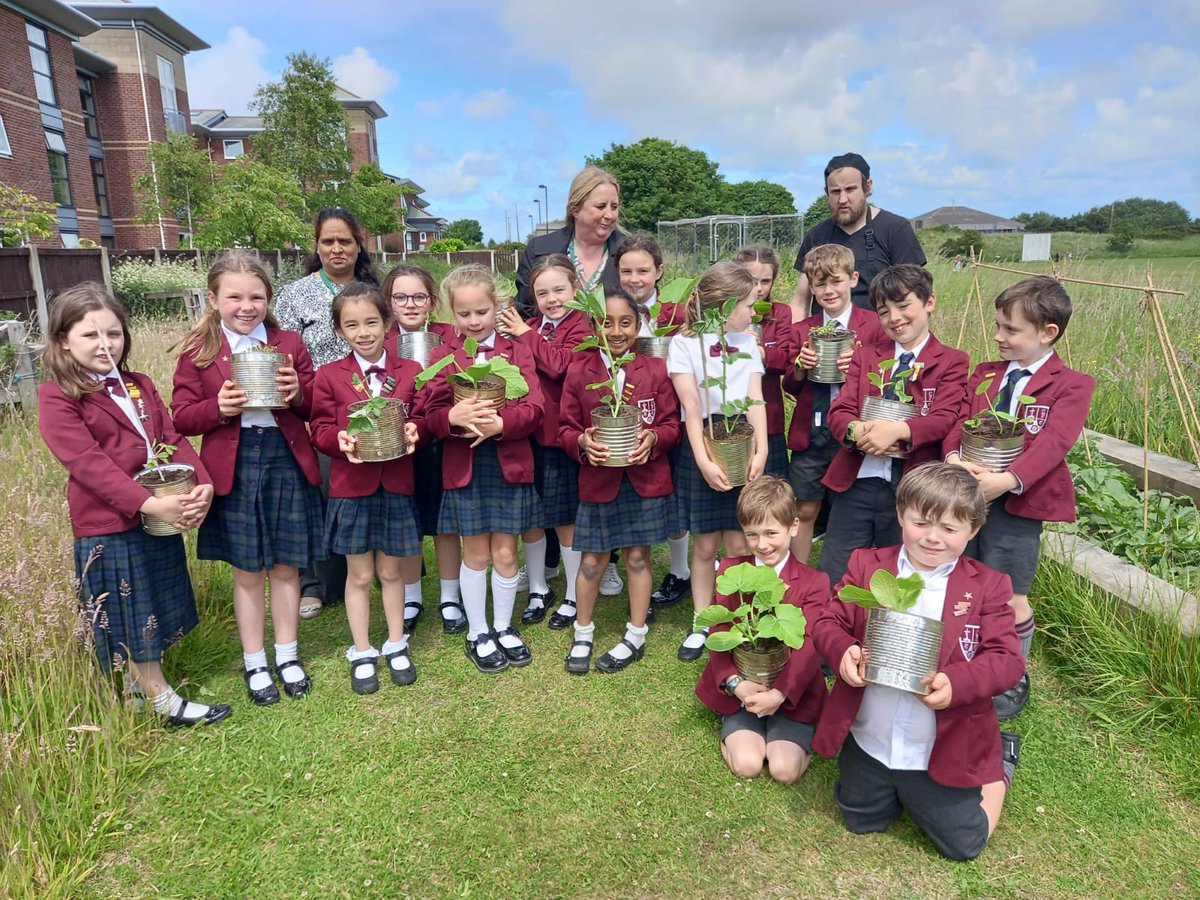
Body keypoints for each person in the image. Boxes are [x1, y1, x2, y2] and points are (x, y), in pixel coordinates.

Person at [38, 283, 230, 727]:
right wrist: (148, 504)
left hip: (158, 514)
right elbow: (88, 464)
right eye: (91, 335)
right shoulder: (57, 396)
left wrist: (202, 483)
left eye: (114, 333)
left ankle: (140, 691)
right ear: (64, 340)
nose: (106, 344)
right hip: (111, 522)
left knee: (153, 601)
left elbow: (170, 438)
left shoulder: (138, 384)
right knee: (129, 608)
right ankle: (162, 700)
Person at [811, 462, 1023, 862]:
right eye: (921, 522)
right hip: (871, 737)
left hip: (936, 744)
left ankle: (1000, 765)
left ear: (973, 530)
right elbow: (828, 619)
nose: (932, 538)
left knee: (963, 845)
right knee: (860, 819)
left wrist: (957, 685)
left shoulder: (990, 586)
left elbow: (1007, 660)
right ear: (899, 515)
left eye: (950, 528)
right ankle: (886, 782)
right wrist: (843, 653)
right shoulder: (867, 566)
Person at [173, 252, 324, 707]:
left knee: (285, 565)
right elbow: (181, 417)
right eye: (234, 296)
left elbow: (316, 401)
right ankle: (255, 661)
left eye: (256, 296)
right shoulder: (198, 351)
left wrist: (299, 393)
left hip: (284, 458)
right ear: (214, 298)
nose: (246, 306)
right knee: (248, 570)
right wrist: (219, 407)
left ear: (268, 298)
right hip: (235, 465)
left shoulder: (290, 342)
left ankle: (288, 654)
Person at [945, 276, 1095, 720]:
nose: (998, 336)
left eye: (1011, 330)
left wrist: (1007, 479)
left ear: (1048, 332)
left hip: (1017, 506)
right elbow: (960, 419)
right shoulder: (985, 375)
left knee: (1009, 592)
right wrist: (954, 455)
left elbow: (1055, 443)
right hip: (967, 499)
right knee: (963, 580)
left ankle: (1010, 672)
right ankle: (962, 658)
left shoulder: (1071, 385)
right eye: (997, 326)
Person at [422, 265, 544, 674]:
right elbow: (430, 416)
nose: (474, 321)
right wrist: (454, 416)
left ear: (498, 307)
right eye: (464, 314)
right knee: (475, 552)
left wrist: (503, 424)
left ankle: (504, 627)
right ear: (451, 313)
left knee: (506, 552)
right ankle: (478, 631)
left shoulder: (518, 351)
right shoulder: (443, 355)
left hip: (509, 463)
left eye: (482, 312)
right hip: (466, 466)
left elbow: (536, 409)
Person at [818, 264, 968, 584]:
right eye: (884, 312)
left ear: (929, 302)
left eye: (903, 306)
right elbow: (840, 409)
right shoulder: (866, 356)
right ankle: (831, 628)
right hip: (856, 480)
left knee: (899, 570)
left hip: (911, 488)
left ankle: (886, 630)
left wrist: (898, 431)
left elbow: (944, 418)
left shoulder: (952, 361)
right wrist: (856, 431)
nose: (895, 318)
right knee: (836, 565)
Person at [310, 284, 426, 694]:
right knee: (359, 575)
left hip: (396, 485)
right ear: (340, 331)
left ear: (387, 323)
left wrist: (418, 430)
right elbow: (321, 429)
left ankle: (397, 642)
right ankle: (362, 651)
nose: (363, 332)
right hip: (351, 488)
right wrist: (337, 440)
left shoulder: (410, 372)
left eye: (371, 322)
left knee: (391, 570)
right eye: (351, 325)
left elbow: (424, 419)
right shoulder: (328, 376)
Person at [558, 288, 681, 673]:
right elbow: (564, 427)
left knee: (638, 556)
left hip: (644, 480)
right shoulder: (580, 370)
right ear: (594, 325)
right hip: (598, 481)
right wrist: (580, 441)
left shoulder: (655, 369)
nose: (615, 331)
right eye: (606, 322)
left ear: (639, 325)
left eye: (625, 322)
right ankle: (583, 631)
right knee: (592, 560)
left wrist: (655, 438)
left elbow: (671, 424)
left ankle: (636, 633)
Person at [276, 207, 380, 621]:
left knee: (362, 492)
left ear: (359, 246)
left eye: (345, 241)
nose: (336, 249)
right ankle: (314, 584)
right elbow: (283, 352)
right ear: (316, 246)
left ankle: (370, 573)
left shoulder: (374, 289)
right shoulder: (295, 295)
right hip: (314, 409)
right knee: (320, 494)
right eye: (327, 242)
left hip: (370, 411)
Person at [694, 478, 829, 783]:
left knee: (783, 771)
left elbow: (809, 646)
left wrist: (781, 693)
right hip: (743, 685)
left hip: (793, 690)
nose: (762, 544)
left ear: (793, 526)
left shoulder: (814, 582)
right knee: (747, 765)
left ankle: (785, 735)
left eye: (771, 533)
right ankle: (740, 725)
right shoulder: (732, 571)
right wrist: (734, 683)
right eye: (752, 535)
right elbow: (720, 632)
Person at [668, 262, 769, 662]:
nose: (752, 313)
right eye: (748, 305)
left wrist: (760, 449)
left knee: (739, 541)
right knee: (706, 543)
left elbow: (755, 399)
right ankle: (702, 621)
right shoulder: (684, 344)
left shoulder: (747, 342)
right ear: (724, 306)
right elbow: (692, 407)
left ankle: (737, 618)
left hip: (741, 439)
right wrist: (703, 459)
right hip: (704, 444)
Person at [497, 255, 590, 627]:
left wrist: (524, 334)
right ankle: (538, 587)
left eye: (559, 290)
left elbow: (561, 365)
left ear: (574, 289)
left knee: (565, 521)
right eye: (542, 293)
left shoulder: (584, 325)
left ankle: (572, 592)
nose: (552, 299)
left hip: (559, 437)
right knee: (531, 520)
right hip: (526, 435)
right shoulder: (531, 325)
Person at [783, 244, 884, 563]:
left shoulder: (875, 326)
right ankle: (797, 578)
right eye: (820, 284)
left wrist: (860, 366)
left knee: (850, 507)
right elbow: (789, 385)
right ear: (810, 287)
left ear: (853, 279)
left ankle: (846, 574)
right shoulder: (802, 330)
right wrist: (800, 367)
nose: (828, 290)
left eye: (836, 281)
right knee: (805, 506)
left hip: (855, 432)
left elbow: (885, 378)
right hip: (811, 433)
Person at [380, 263, 464, 633]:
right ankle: (412, 596)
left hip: (442, 440)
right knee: (409, 522)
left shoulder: (451, 336)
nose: (410, 304)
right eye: (401, 297)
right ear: (389, 302)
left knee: (444, 522)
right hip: (401, 445)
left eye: (419, 297)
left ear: (432, 302)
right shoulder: (380, 342)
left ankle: (450, 596)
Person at [617, 234, 691, 609]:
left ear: (659, 272)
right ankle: (625, 560)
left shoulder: (678, 314)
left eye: (643, 271)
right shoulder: (608, 314)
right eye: (626, 270)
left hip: (674, 413)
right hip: (628, 418)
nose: (634, 278)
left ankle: (680, 570)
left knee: (676, 495)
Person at [789, 153, 927, 319]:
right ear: (826, 192)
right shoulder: (816, 236)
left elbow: (915, 300)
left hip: (880, 338)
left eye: (850, 189)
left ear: (867, 187)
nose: (842, 199)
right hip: (826, 339)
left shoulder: (895, 230)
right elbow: (800, 303)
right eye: (835, 191)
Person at [516, 166, 625, 317]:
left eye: (614, 207)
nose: (610, 215)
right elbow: (526, 310)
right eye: (601, 206)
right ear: (575, 210)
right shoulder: (538, 251)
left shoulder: (630, 252)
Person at [733, 245, 795, 479]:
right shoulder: (724, 315)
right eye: (751, 280)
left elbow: (785, 359)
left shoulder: (780, 313)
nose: (759, 289)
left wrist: (760, 352)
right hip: (732, 420)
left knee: (771, 491)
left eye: (766, 281)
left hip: (769, 420)